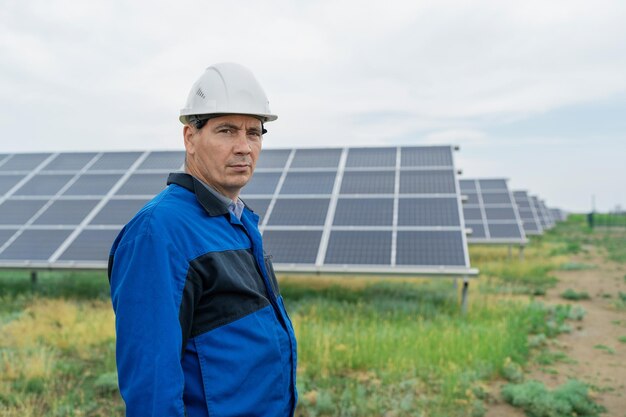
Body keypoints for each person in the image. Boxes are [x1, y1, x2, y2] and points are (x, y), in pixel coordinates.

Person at [108, 63, 297, 417]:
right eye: (226, 131)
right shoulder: (159, 233)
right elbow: (151, 387)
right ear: (190, 138)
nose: (244, 148)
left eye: (254, 133)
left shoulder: (237, 220)